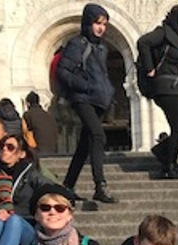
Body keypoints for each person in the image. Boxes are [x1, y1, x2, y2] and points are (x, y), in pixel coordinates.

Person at [59, 4, 118, 204]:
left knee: (84, 144)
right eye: (97, 23)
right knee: (97, 134)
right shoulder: (77, 44)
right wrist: (84, 86)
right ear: (88, 23)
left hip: (98, 100)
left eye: (104, 24)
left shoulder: (102, 48)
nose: (101, 28)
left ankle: (68, 185)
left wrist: (108, 93)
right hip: (83, 98)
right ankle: (100, 185)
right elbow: (63, 71)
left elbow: (102, 75)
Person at [138, 6, 178, 179]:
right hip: (167, 87)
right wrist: (150, 68)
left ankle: (162, 149)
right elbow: (143, 42)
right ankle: (169, 166)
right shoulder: (164, 32)